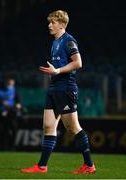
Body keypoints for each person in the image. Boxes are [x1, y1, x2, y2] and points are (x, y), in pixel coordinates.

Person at [21, 10, 96, 174]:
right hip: (54, 87)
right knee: (48, 126)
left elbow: (78, 63)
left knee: (72, 127)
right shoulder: (55, 42)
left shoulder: (69, 41)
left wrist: (58, 71)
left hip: (66, 87)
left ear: (62, 24)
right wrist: (54, 74)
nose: (49, 25)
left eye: (53, 22)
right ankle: (41, 166)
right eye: (49, 22)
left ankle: (89, 165)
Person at [0, 76, 22, 150]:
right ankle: (3, 146)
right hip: (0, 112)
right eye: (8, 82)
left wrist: (18, 105)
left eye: (11, 82)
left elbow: (18, 101)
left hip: (11, 112)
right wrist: (3, 103)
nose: (10, 84)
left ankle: (12, 146)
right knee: (2, 129)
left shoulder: (15, 90)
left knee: (14, 128)